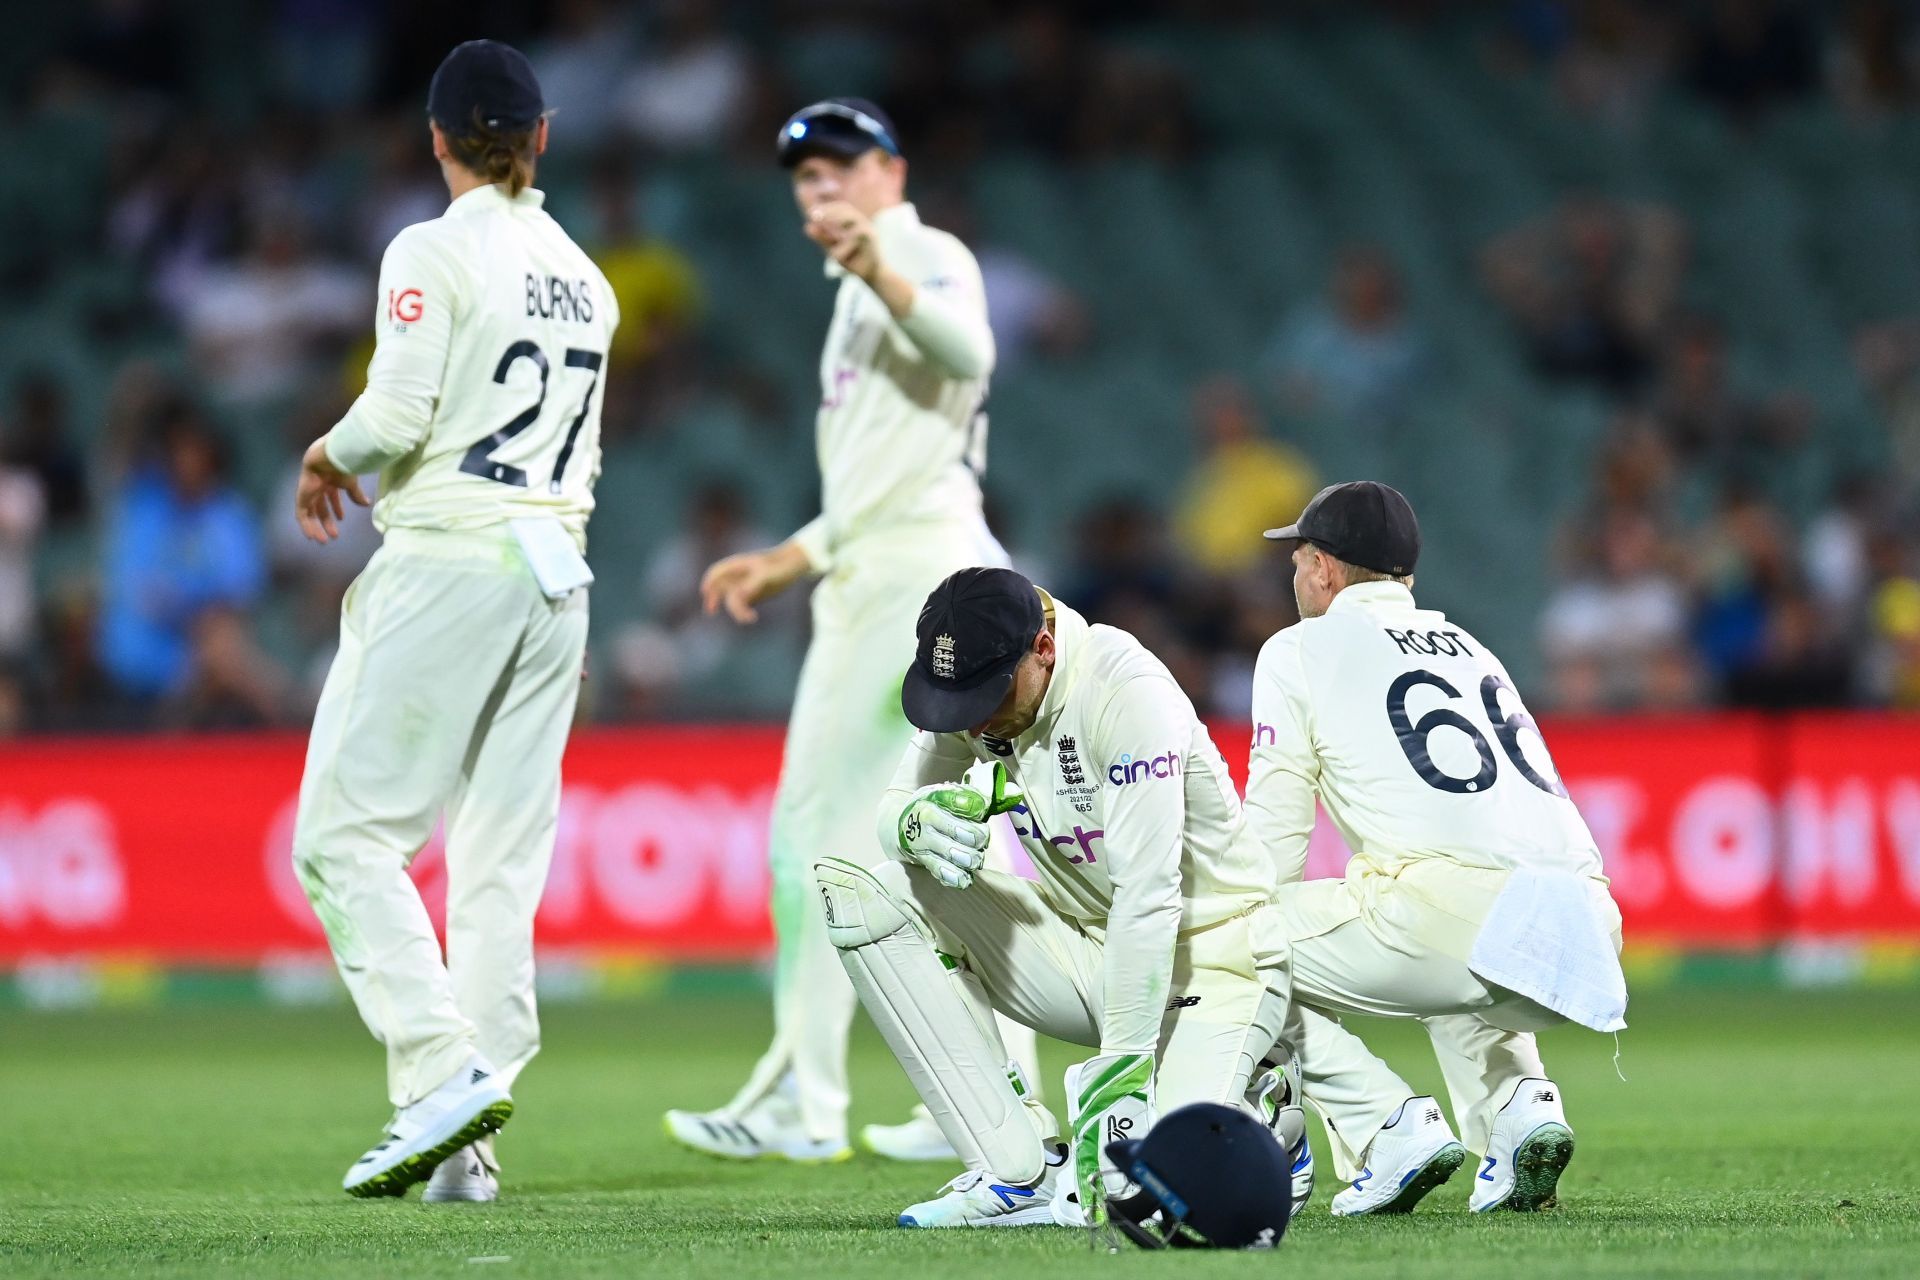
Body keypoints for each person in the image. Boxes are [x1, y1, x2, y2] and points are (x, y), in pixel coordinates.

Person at [663, 98, 1034, 1165]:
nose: (820, 187)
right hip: (908, 560)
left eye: (840, 166)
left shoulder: (921, 252)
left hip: (905, 580)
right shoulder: (866, 286)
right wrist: (793, 554)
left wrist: (880, 267)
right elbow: (892, 469)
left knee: (812, 837)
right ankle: (991, 1093)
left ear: (891, 170)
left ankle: (805, 1100)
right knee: (945, 844)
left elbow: (968, 350)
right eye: (803, 176)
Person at [287, 40, 618, 1202]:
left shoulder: (429, 247)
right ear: (543, 134)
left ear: (434, 139)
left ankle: (439, 1076)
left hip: (453, 561)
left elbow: (399, 411)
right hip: (555, 572)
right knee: (496, 863)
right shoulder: (589, 274)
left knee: (341, 838)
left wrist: (326, 453)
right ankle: (469, 1155)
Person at [815, 566, 1372, 1228]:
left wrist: (1122, 1072)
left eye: (987, 694)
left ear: (1043, 650)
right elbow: (897, 801)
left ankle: (1266, 1109)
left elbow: (1149, 896)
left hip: (1216, 958)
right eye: (958, 701)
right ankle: (1015, 1174)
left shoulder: (1124, 691)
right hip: (1089, 948)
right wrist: (907, 825)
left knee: (1150, 1194)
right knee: (874, 891)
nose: (973, 719)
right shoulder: (979, 687)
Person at [1246, 482, 1628, 1214]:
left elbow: (1274, 835)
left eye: (1297, 560)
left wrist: (1224, 934)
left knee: (1232, 941)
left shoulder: (1299, 649)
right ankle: (1519, 1111)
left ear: (1323, 569)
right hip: (1586, 921)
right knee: (1448, 915)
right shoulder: (1472, 646)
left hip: (1456, 920)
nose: (1294, 577)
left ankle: (1383, 1129)